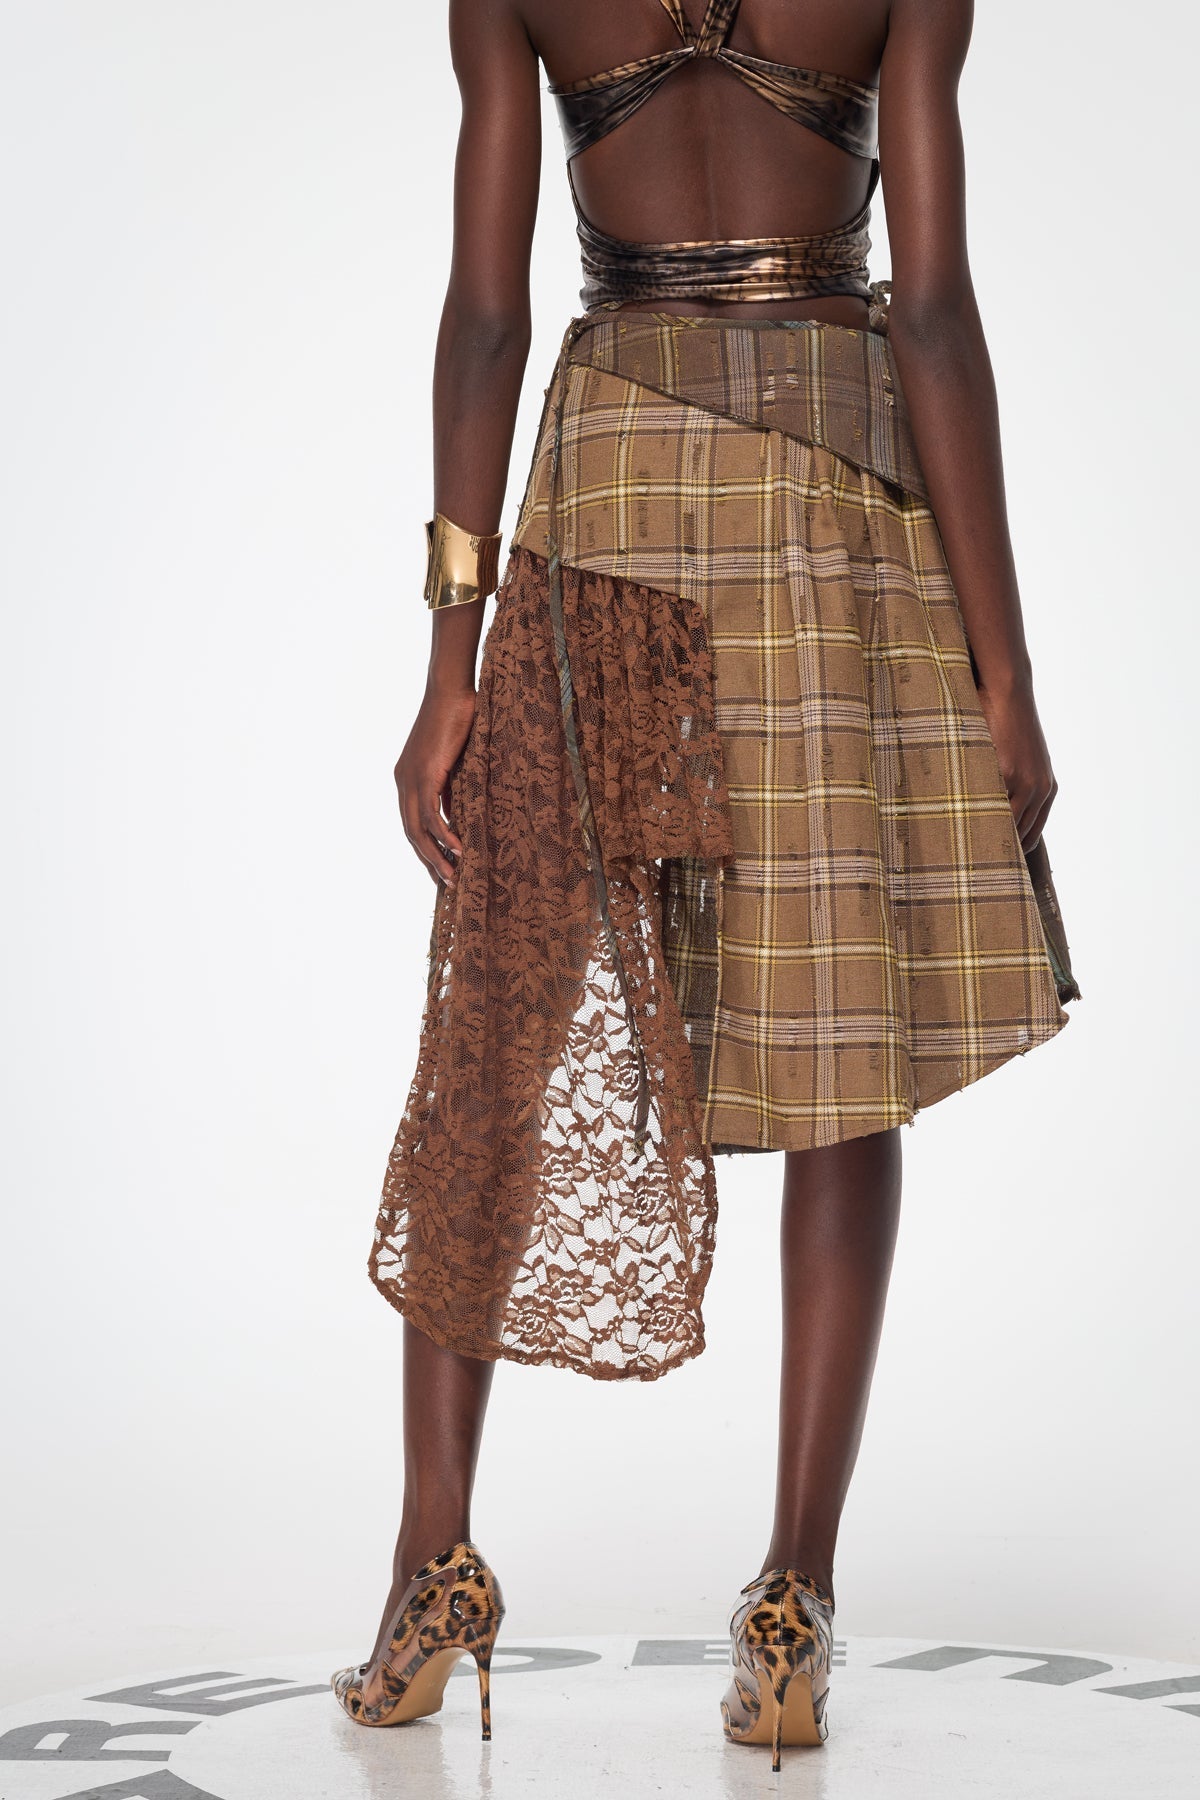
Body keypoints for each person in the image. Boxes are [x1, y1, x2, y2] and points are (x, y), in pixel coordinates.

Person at [330, 0, 1081, 1770]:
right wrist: (1007, 667)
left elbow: (488, 314)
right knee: (844, 1051)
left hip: (608, 503)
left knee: (506, 1030)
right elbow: (937, 314)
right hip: (830, 500)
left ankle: (431, 1567)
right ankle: (792, 1596)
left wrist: (448, 659)